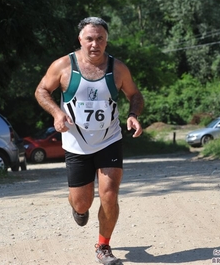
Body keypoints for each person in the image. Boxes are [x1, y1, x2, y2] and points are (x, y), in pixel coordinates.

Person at [35, 16, 144, 265]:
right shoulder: (63, 66)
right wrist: (57, 112)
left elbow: (134, 94)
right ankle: (76, 205)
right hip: (76, 144)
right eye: (90, 39)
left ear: (106, 41)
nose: (95, 44)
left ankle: (103, 247)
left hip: (109, 139)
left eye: (100, 39)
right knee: (83, 203)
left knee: (109, 194)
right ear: (80, 40)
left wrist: (133, 115)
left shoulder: (118, 69)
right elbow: (41, 90)